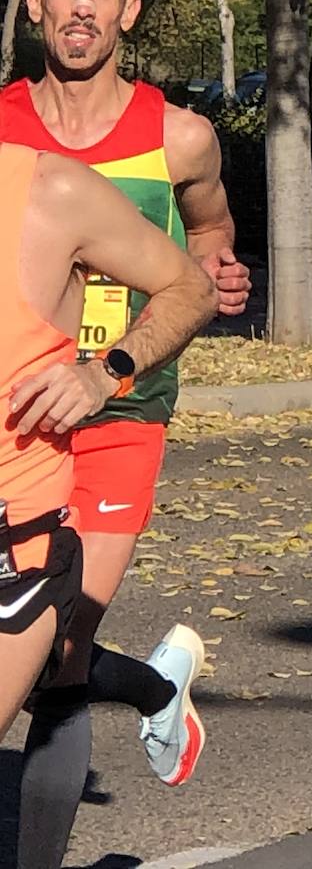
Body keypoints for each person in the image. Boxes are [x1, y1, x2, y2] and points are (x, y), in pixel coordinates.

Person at [0, 0, 250, 869]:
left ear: (129, 13)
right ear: (36, 3)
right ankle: (157, 686)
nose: (83, 9)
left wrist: (221, 273)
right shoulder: (8, 131)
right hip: (22, 426)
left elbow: (212, 233)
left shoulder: (180, 137)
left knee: (57, 655)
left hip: (123, 409)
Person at [0, 143, 216, 742]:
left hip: (13, 536)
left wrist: (104, 371)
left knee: (64, 668)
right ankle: (154, 688)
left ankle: (158, 692)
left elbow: (191, 288)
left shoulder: (50, 190)